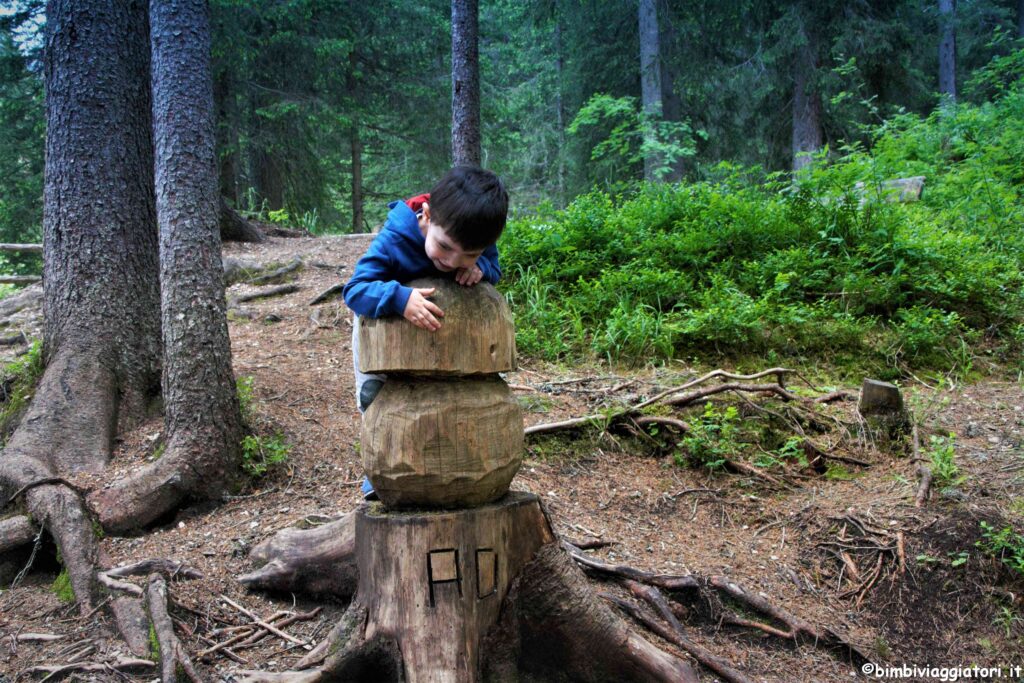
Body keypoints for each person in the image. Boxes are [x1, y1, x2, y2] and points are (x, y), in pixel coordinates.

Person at [343, 165, 510, 499]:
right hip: (387, 346)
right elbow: (355, 290)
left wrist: (482, 268)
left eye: (470, 254)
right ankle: (380, 473)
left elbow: (494, 266)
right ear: (427, 215)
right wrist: (398, 297)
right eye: (445, 247)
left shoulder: (472, 237)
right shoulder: (395, 239)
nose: (453, 261)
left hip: (448, 343)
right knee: (378, 401)